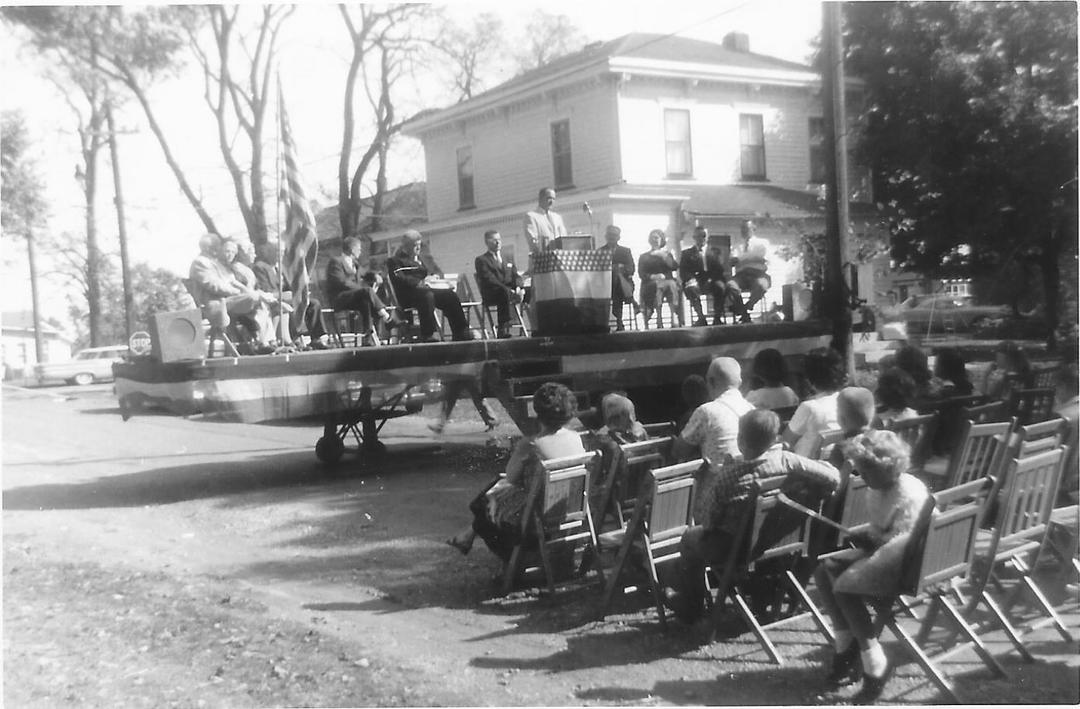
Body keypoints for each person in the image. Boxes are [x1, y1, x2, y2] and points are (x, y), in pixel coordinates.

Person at [663, 409, 840, 623]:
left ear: (739, 440)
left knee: (689, 538)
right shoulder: (787, 461)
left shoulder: (729, 476)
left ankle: (691, 605)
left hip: (736, 548)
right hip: (778, 542)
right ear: (775, 439)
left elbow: (708, 522)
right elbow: (834, 478)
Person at [813, 429, 930, 702]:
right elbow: (884, 533)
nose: (862, 478)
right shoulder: (879, 489)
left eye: (867, 472)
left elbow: (904, 542)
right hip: (892, 552)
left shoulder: (908, 493)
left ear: (887, 467)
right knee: (823, 571)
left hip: (910, 563)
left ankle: (873, 659)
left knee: (844, 585)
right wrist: (867, 536)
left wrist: (868, 549)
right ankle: (846, 642)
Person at [446, 382, 585, 560]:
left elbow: (511, 476)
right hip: (569, 511)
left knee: (486, 503)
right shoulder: (575, 438)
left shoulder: (531, 444)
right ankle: (466, 536)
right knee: (493, 497)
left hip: (537, 520)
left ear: (537, 412)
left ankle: (513, 564)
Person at [188, 233, 275, 353]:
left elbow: (232, 281)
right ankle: (261, 342)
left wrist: (255, 293)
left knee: (258, 299)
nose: (219, 248)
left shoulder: (215, 262)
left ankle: (264, 342)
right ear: (208, 247)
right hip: (214, 303)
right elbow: (214, 286)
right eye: (217, 246)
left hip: (227, 300)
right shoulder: (200, 263)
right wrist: (238, 292)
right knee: (254, 298)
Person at [387, 230, 472, 342]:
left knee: (450, 296)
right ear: (405, 246)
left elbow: (438, 272)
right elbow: (400, 279)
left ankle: (460, 331)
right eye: (414, 245)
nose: (418, 248)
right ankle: (428, 334)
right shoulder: (395, 261)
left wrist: (436, 277)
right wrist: (421, 282)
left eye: (419, 244)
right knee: (427, 296)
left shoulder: (425, 259)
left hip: (430, 290)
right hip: (409, 295)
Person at [674, 356, 755, 466]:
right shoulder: (751, 409)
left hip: (717, 481)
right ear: (739, 382)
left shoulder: (706, 411)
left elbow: (679, 451)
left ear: (711, 382)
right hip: (743, 475)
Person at [252, 241, 329, 349]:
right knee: (289, 306)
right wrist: (283, 295)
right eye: (278, 251)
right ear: (269, 252)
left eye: (283, 252)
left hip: (290, 298)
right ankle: (294, 339)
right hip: (274, 300)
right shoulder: (260, 267)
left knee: (314, 303)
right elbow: (266, 291)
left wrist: (300, 291)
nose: (281, 254)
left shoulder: (283, 268)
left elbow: (292, 286)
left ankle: (316, 338)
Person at [326, 236, 401, 343]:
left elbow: (365, 273)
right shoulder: (336, 262)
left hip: (353, 299)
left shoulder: (354, 264)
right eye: (359, 249)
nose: (360, 251)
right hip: (339, 299)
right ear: (352, 249)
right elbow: (341, 282)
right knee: (366, 292)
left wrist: (375, 276)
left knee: (365, 302)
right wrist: (361, 289)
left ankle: (368, 337)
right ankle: (388, 319)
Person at [783, 348, 846, 458]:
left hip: (806, 469)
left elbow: (786, 442)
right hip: (836, 465)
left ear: (809, 378)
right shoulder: (846, 402)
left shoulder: (809, 408)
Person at [474, 230, 524, 338]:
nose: (498, 243)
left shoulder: (507, 259)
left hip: (509, 292)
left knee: (529, 291)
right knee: (504, 292)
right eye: (494, 240)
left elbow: (516, 275)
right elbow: (489, 279)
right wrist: (508, 290)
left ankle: (536, 326)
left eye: (499, 240)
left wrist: (519, 288)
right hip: (492, 293)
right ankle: (503, 329)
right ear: (487, 242)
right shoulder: (482, 260)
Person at [678, 225, 729, 327]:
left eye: (704, 235)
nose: (701, 238)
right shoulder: (687, 253)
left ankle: (717, 318)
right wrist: (690, 279)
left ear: (707, 237)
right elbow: (683, 270)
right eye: (698, 236)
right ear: (694, 237)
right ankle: (701, 318)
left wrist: (712, 278)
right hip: (696, 281)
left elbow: (720, 269)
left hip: (713, 280)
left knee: (720, 287)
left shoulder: (715, 252)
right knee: (690, 288)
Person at [724, 220, 771, 324]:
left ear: (754, 229)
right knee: (731, 285)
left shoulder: (762, 243)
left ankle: (748, 306)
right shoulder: (737, 245)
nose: (744, 231)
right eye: (742, 229)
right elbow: (732, 261)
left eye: (747, 228)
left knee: (762, 285)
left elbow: (763, 258)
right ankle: (745, 314)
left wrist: (742, 259)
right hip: (742, 276)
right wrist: (752, 257)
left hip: (758, 274)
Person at [637, 228, 682, 328]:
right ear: (649, 240)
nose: (654, 240)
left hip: (668, 282)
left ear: (662, 240)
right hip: (651, 283)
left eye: (657, 238)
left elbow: (674, 267)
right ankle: (659, 318)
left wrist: (664, 256)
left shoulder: (666, 255)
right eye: (652, 238)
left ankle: (673, 315)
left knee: (671, 285)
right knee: (657, 287)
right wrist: (653, 276)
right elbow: (641, 273)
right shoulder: (644, 256)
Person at [597, 225, 638, 331]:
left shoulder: (625, 251)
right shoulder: (600, 252)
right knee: (615, 278)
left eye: (614, 235)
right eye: (610, 235)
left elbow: (631, 269)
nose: (612, 237)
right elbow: (597, 271)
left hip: (624, 284)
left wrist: (620, 268)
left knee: (616, 278)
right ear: (606, 236)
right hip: (606, 285)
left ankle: (619, 321)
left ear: (618, 237)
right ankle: (630, 302)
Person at [428, 375, 498, 434]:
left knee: (476, 397)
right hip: (459, 373)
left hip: (464, 372)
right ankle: (440, 425)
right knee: (450, 398)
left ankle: (492, 422)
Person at [523, 187, 567, 254]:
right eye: (549, 198)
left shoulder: (557, 217)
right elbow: (532, 240)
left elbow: (564, 238)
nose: (551, 201)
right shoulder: (531, 216)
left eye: (553, 199)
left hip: (559, 258)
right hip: (541, 259)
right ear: (540, 199)